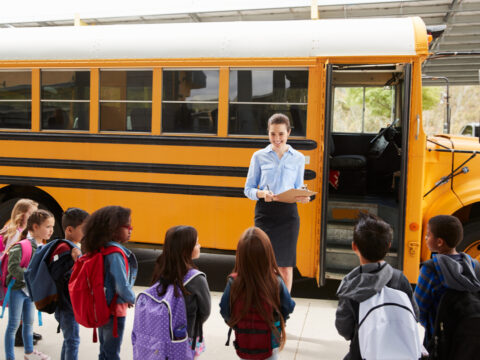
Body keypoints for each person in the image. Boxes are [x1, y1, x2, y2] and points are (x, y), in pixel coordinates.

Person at [335, 213, 418, 360]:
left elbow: (344, 329)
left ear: (354, 246)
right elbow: (415, 315)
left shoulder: (350, 286)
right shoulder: (400, 279)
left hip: (362, 353)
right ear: (389, 245)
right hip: (400, 352)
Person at [244, 113, 309, 292]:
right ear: (268, 133)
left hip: (288, 215)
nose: (277, 138)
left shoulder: (298, 158)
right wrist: (262, 193)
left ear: (288, 133)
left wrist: (303, 197)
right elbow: (248, 189)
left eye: (281, 134)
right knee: (264, 265)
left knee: (286, 267)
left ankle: (283, 309)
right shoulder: (258, 156)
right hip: (265, 214)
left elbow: (298, 187)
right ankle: (264, 304)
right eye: (273, 134)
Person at [220, 227, 295, 360]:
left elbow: (225, 310)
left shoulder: (234, 282)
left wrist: (237, 323)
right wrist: (279, 320)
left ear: (240, 256)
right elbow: (288, 306)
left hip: (245, 342)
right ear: (268, 254)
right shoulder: (276, 281)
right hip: (270, 342)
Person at [81, 205, 137, 360]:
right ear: (113, 230)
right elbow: (121, 285)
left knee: (104, 350)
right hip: (114, 311)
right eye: (127, 226)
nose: (131, 229)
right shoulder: (116, 254)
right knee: (112, 353)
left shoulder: (102, 248)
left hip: (102, 306)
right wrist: (134, 299)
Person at [414, 215, 480, 345]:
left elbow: (418, 309)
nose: (426, 238)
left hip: (440, 339)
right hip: (471, 340)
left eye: (428, 235)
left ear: (439, 242)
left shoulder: (430, 269)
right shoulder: (474, 265)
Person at [149, 225, 211, 357]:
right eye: (197, 243)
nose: (200, 246)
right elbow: (205, 312)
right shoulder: (197, 278)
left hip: (160, 335)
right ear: (185, 250)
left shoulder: (161, 270)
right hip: (186, 337)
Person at [4, 209, 54, 360]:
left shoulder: (44, 247)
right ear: (35, 227)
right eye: (47, 226)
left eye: (52, 227)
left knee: (28, 324)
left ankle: (29, 353)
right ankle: (10, 357)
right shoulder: (22, 246)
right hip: (18, 290)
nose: (51, 230)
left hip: (31, 292)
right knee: (13, 325)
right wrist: (30, 277)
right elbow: (12, 268)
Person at [0, 199, 41, 347]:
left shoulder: (23, 231)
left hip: (24, 271)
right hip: (16, 275)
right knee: (21, 304)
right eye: (31, 213)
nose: (35, 217)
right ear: (22, 214)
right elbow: (8, 254)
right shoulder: (15, 232)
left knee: (27, 302)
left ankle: (26, 330)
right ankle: (20, 335)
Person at [51, 208, 89, 360]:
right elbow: (66, 279)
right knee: (73, 341)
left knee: (69, 341)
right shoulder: (68, 250)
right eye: (84, 228)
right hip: (67, 306)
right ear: (69, 229)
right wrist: (77, 262)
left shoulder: (64, 247)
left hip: (65, 304)